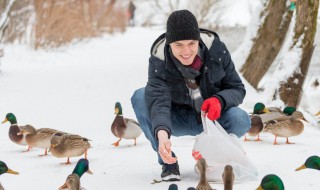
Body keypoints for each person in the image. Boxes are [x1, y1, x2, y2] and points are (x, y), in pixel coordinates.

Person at [131, 10, 250, 181]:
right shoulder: (159, 59)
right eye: (178, 45)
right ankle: (168, 162)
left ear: (199, 41)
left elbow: (237, 88)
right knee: (140, 96)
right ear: (169, 44)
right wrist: (162, 132)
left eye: (192, 43)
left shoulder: (216, 50)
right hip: (176, 119)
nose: (186, 51)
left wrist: (219, 100)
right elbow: (158, 100)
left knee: (240, 118)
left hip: (211, 118)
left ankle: (214, 159)